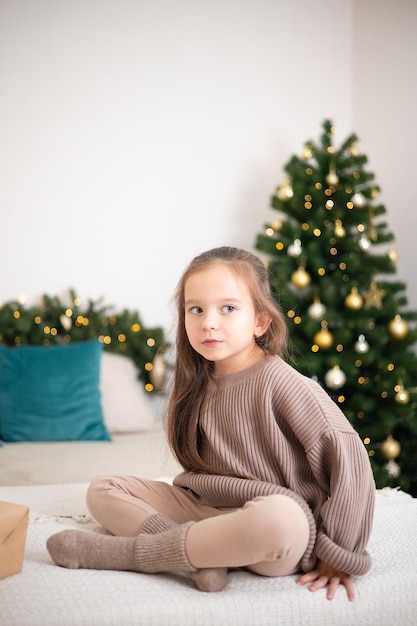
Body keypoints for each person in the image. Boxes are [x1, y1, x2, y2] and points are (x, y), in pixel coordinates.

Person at [47, 246, 375, 600]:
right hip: (206, 511)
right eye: (196, 309)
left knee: (283, 518)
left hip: (270, 525)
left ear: (260, 321)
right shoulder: (197, 383)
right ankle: (201, 555)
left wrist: (340, 554)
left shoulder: (286, 385)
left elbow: (350, 461)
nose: (208, 322)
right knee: (104, 489)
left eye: (228, 308)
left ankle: (140, 555)